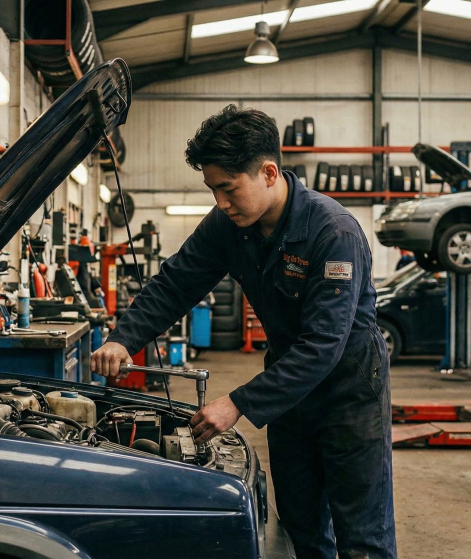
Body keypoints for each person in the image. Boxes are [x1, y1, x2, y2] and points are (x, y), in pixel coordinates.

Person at [91, 105, 396, 559]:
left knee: (362, 538)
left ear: (268, 172)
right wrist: (123, 337)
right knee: (300, 527)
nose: (221, 202)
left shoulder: (333, 233)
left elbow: (323, 345)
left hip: (349, 389)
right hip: (290, 389)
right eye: (213, 189)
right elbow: (177, 282)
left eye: (228, 188)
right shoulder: (229, 227)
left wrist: (239, 403)